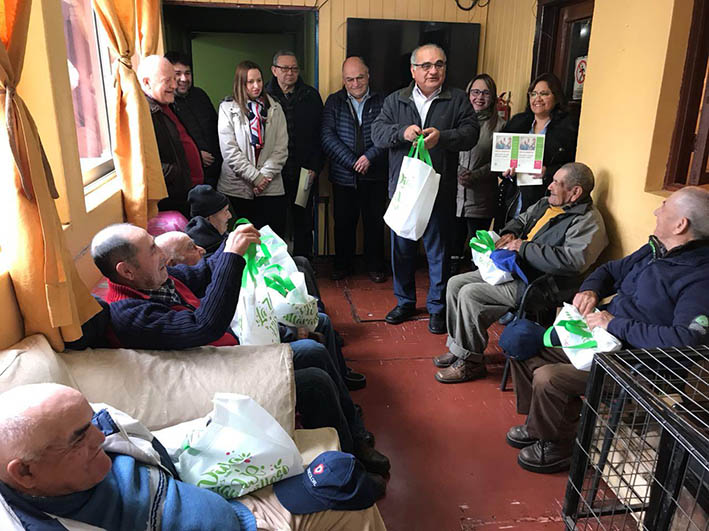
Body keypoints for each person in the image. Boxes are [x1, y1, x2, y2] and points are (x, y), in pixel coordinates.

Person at [90, 223, 389, 474]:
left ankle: (355, 435)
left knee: (314, 351)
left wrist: (235, 238)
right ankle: (348, 467)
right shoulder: (129, 315)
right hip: (209, 380)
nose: (162, 254)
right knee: (314, 381)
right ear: (127, 271)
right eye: (152, 249)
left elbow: (205, 271)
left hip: (222, 356)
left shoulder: (156, 280)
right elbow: (203, 326)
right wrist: (232, 255)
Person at [507, 186, 709, 474]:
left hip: (634, 363)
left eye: (663, 207)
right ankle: (540, 425)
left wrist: (614, 323)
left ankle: (559, 445)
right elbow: (610, 270)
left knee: (549, 377)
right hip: (600, 339)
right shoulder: (656, 250)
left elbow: (686, 341)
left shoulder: (700, 278)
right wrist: (591, 289)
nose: (656, 211)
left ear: (680, 225)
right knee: (522, 344)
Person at [0, 383, 387, 530]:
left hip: (228, 503)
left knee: (349, 494)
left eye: (90, 422)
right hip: (245, 521)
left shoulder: (103, 432)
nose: (99, 436)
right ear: (26, 473)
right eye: (79, 437)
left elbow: (157, 451)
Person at [433, 162, 608, 383]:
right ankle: (459, 348)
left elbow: (573, 262)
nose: (550, 186)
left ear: (575, 192)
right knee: (455, 284)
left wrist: (524, 248)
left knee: (471, 294)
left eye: (557, 183)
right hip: (516, 269)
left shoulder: (588, 221)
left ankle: (470, 363)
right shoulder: (547, 203)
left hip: (541, 283)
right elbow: (522, 219)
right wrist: (510, 232)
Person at [371, 43, 479, 334]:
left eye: (439, 64)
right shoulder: (396, 100)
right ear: (413, 70)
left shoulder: (457, 99)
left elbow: (471, 134)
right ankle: (405, 302)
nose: (433, 71)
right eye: (426, 65)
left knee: (439, 252)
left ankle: (437, 308)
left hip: (438, 190)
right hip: (404, 190)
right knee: (401, 250)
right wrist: (401, 133)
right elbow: (377, 134)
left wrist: (442, 137)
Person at [321, 57, 387, 283]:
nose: (355, 83)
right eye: (350, 79)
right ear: (343, 80)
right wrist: (352, 162)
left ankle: (375, 266)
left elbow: (388, 134)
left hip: (375, 174)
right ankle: (342, 266)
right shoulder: (334, 101)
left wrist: (369, 157)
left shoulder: (383, 101)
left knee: (375, 222)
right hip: (344, 176)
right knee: (343, 223)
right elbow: (327, 137)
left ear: (368, 76)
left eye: (360, 77)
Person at [496, 73, 579, 228]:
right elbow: (498, 159)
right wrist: (504, 171)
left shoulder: (568, 128)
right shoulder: (518, 123)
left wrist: (548, 172)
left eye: (544, 94)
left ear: (556, 97)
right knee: (506, 236)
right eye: (533, 94)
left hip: (544, 198)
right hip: (512, 199)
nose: (537, 98)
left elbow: (573, 165)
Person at [218, 60, 289, 236]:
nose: (256, 86)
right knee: (242, 241)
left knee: (270, 239)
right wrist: (255, 177)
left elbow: (281, 148)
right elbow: (230, 151)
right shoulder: (227, 108)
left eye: (259, 80)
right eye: (250, 82)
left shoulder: (275, 108)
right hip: (237, 188)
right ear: (241, 84)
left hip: (270, 187)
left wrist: (263, 178)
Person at [265, 50, 324, 259]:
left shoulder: (310, 96)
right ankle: (277, 264)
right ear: (274, 70)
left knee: (303, 221)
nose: (290, 73)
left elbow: (320, 134)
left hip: (304, 171)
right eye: (285, 68)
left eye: (294, 68)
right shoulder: (264, 96)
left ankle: (303, 263)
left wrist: (315, 167)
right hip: (274, 172)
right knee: (275, 221)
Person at [137, 55, 203, 215]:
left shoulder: (166, 103)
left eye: (174, 78)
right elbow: (146, 163)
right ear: (147, 82)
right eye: (167, 80)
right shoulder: (145, 114)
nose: (174, 85)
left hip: (189, 192)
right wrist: (176, 173)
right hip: (174, 199)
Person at [452, 74, 506, 270]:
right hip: (454, 195)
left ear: (493, 97)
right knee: (452, 249)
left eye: (485, 93)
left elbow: (500, 161)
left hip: (482, 197)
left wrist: (476, 175)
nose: (479, 97)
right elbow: (447, 150)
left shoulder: (500, 126)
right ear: (468, 94)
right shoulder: (456, 120)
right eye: (475, 92)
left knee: (479, 253)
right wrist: (458, 171)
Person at [164, 51, 222, 188]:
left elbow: (216, 127)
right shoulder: (167, 104)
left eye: (187, 73)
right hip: (191, 177)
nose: (184, 79)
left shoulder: (200, 95)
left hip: (219, 171)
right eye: (178, 74)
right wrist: (196, 154)